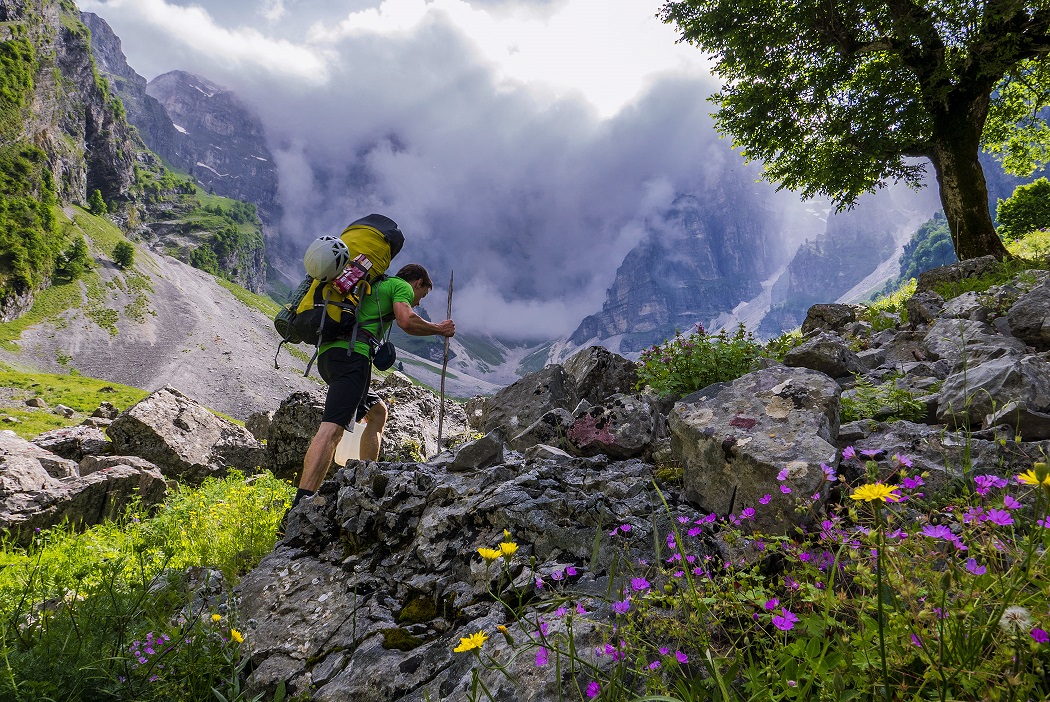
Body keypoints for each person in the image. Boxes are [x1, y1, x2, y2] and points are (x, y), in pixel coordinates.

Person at [290, 263, 455, 510]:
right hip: (352, 357)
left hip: (329, 356)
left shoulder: (376, 285)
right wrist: (439, 329)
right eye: (423, 294)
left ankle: (366, 479)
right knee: (332, 430)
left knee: (377, 412)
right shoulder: (400, 286)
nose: (418, 301)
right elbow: (406, 320)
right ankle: (300, 506)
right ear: (418, 282)